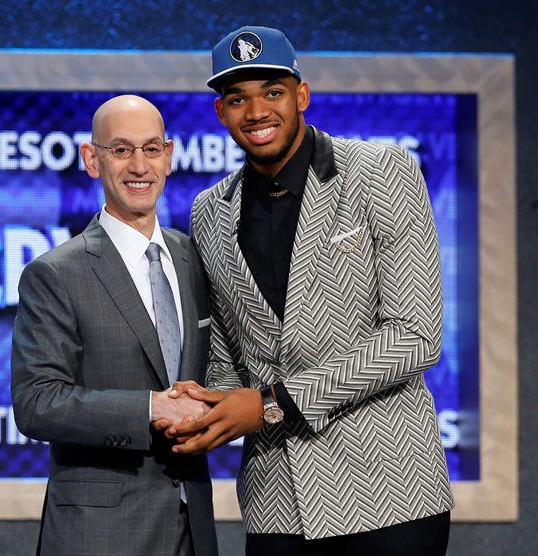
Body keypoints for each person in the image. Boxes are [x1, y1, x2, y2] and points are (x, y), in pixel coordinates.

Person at [166, 26, 454, 555]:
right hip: (278, 500)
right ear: (221, 114)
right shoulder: (209, 211)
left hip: (388, 491)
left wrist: (274, 402)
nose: (256, 112)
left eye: (272, 92)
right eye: (237, 99)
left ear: (301, 95)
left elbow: (415, 336)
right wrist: (198, 404)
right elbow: (233, 356)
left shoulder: (381, 172)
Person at [11, 95, 218, 556]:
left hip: (193, 526)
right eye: (121, 150)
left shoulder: (193, 261)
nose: (139, 166)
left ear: (169, 156)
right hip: (100, 533)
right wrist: (151, 408)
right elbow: (36, 402)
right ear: (92, 159)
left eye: (150, 149)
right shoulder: (56, 273)